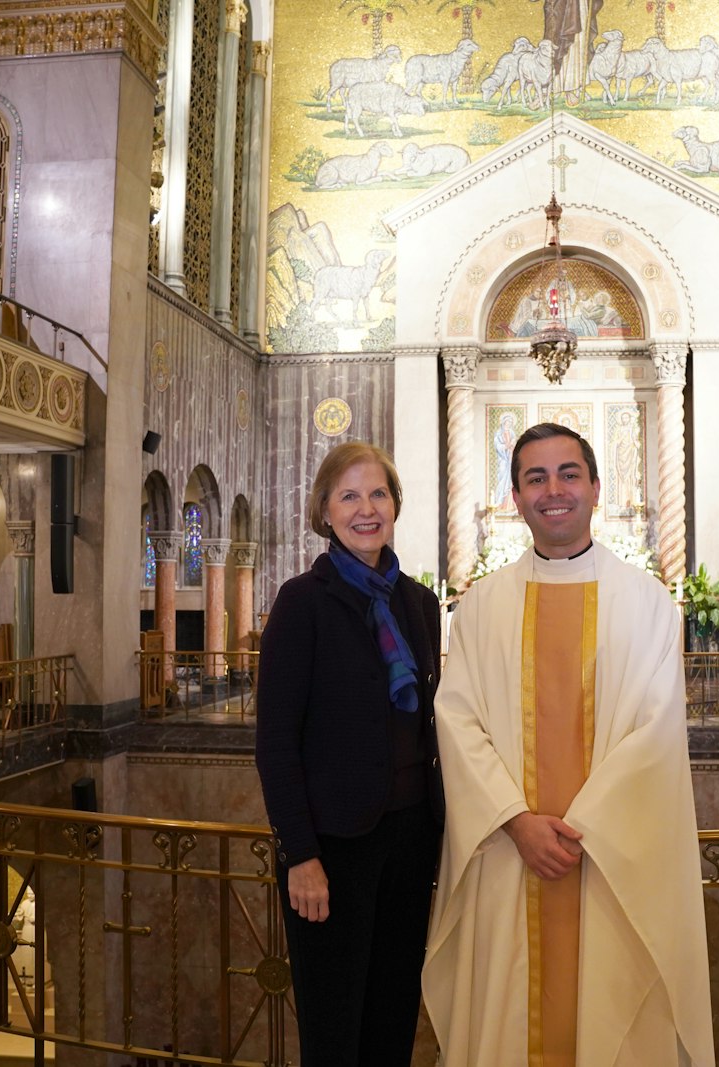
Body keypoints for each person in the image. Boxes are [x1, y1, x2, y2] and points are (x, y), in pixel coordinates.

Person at [423, 422, 714, 1066]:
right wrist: (518, 822)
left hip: (609, 865)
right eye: (536, 478)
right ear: (516, 499)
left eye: (568, 474)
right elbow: (458, 719)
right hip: (508, 855)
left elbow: (657, 731)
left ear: (596, 489)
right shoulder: (482, 606)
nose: (554, 490)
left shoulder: (648, 604)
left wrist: (580, 830)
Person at [255, 442, 443, 1067]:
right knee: (334, 1027)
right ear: (326, 512)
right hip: (334, 848)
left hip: (411, 841)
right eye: (349, 496)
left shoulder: (417, 603)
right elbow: (276, 742)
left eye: (378, 494)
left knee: (392, 1017)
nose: (367, 509)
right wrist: (300, 855)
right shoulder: (302, 602)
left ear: (395, 505)